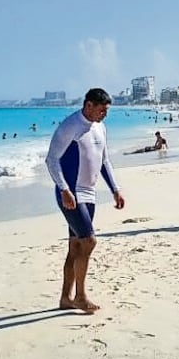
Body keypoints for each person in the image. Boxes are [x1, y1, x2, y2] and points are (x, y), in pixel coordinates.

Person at [45, 88, 125, 313]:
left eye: (106, 110)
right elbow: (51, 160)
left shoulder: (100, 127)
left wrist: (115, 189)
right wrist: (64, 189)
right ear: (88, 105)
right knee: (89, 241)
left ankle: (65, 298)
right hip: (71, 194)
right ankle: (80, 296)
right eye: (101, 110)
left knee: (76, 247)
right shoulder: (70, 126)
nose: (104, 114)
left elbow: (104, 160)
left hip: (89, 194)